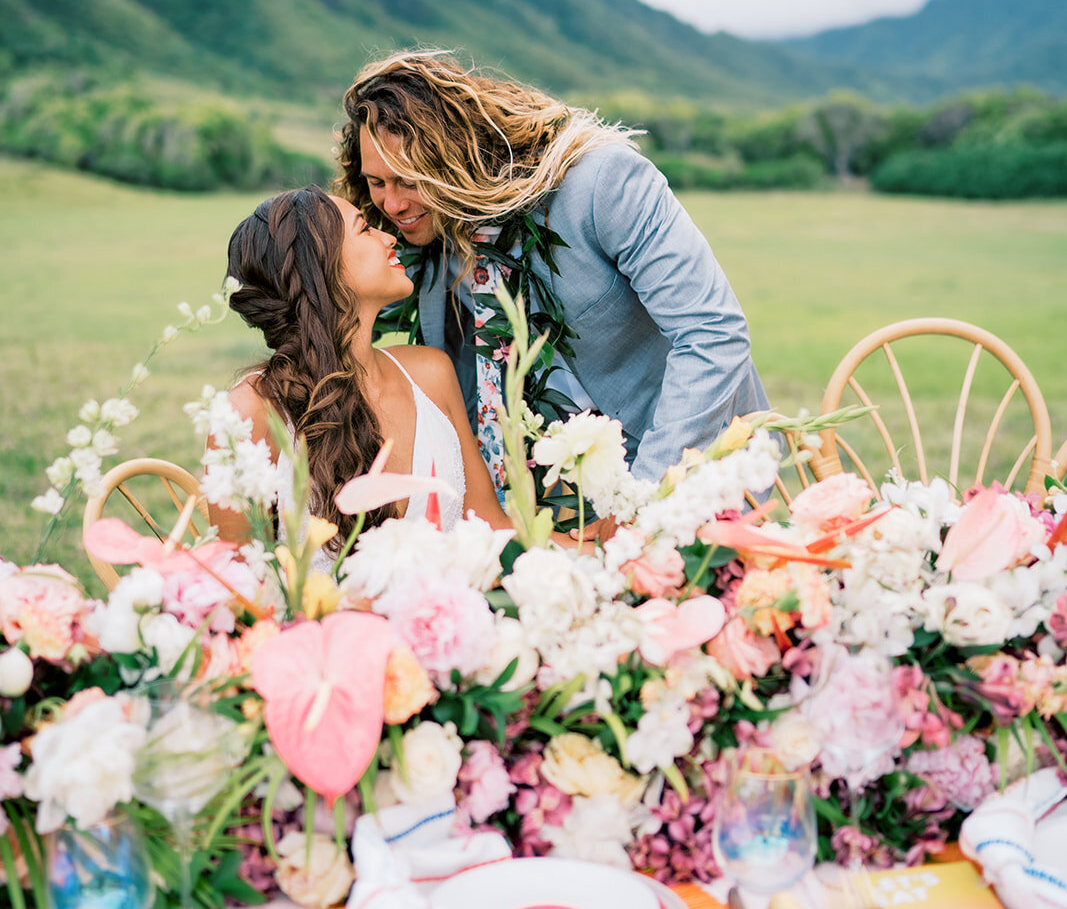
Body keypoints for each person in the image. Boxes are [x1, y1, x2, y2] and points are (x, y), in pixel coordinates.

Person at [336, 52, 768, 503]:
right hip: (539, 505)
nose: (392, 204)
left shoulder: (603, 183)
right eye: (377, 182)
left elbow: (712, 333)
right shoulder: (420, 235)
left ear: (456, 157)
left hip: (684, 473)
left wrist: (642, 503)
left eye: (408, 179)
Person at [215, 184, 512, 546]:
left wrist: (593, 549)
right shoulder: (251, 413)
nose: (389, 237)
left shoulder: (431, 373)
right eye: (365, 229)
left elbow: (492, 528)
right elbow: (236, 584)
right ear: (321, 270)